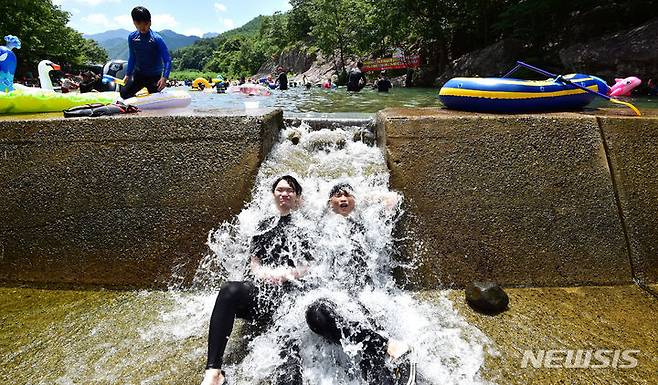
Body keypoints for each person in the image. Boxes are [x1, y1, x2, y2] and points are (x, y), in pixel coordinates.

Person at [201, 175, 312, 385]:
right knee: (229, 290)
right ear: (273, 195)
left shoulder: (306, 225)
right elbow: (255, 264)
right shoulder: (264, 225)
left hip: (293, 297)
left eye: (290, 190)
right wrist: (264, 274)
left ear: (297, 197)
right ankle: (214, 371)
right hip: (264, 294)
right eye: (280, 190)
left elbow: (311, 265)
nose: (284, 193)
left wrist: (287, 275)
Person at [304, 183, 414, 385]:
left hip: (364, 297)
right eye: (338, 196)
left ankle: (391, 355)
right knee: (315, 314)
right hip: (333, 298)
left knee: (371, 362)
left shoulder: (368, 224)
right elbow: (300, 204)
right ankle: (388, 344)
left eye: (348, 195)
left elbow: (392, 199)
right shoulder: (320, 227)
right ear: (330, 203)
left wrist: (360, 197)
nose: (343, 199)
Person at [120, 6, 172, 99]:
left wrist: (164, 78)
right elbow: (132, 57)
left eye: (146, 23)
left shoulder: (157, 39)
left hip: (154, 76)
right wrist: (128, 74)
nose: (143, 26)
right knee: (124, 94)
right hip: (138, 75)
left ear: (150, 22)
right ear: (134, 23)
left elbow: (167, 60)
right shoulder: (132, 37)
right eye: (139, 23)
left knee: (155, 97)